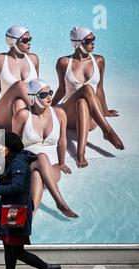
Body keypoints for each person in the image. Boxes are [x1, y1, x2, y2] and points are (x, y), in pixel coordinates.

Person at [0, 132, 61, 269]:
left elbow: (17, 187)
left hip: (17, 211)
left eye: (2, 145)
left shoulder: (19, 163)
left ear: (10, 147)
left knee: (16, 250)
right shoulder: (12, 161)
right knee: (7, 245)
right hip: (11, 209)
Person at [52, 27, 124, 168]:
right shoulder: (64, 62)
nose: (93, 43)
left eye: (93, 39)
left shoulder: (99, 61)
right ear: (77, 43)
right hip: (70, 114)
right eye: (88, 40)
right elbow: (61, 90)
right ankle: (107, 131)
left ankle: (80, 153)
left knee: (82, 102)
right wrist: (48, 108)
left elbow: (100, 88)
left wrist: (106, 110)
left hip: (92, 119)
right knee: (87, 89)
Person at [13, 79, 78, 218]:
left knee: (37, 176)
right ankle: (60, 203)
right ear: (33, 97)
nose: (49, 97)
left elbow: (62, 140)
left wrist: (61, 163)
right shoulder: (23, 115)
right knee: (41, 157)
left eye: (50, 92)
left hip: (52, 167)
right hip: (26, 164)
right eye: (43, 95)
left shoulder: (59, 113)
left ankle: (26, 218)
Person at [0, 25, 39, 131]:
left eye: (30, 39)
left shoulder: (34, 59)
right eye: (25, 40)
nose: (29, 42)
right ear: (13, 42)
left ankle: (18, 141)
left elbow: (37, 89)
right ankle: (40, 115)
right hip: (4, 113)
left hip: (23, 113)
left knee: (18, 103)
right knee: (20, 85)